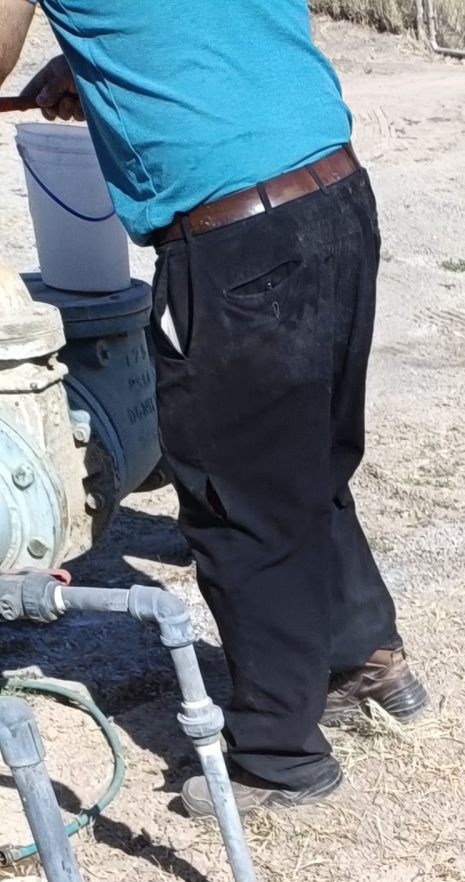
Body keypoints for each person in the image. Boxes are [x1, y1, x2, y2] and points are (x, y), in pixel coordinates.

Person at [0, 0, 427, 814]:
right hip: (334, 194)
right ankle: (363, 652)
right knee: (304, 460)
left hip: (237, 241)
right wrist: (96, 72)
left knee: (237, 498)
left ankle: (279, 757)